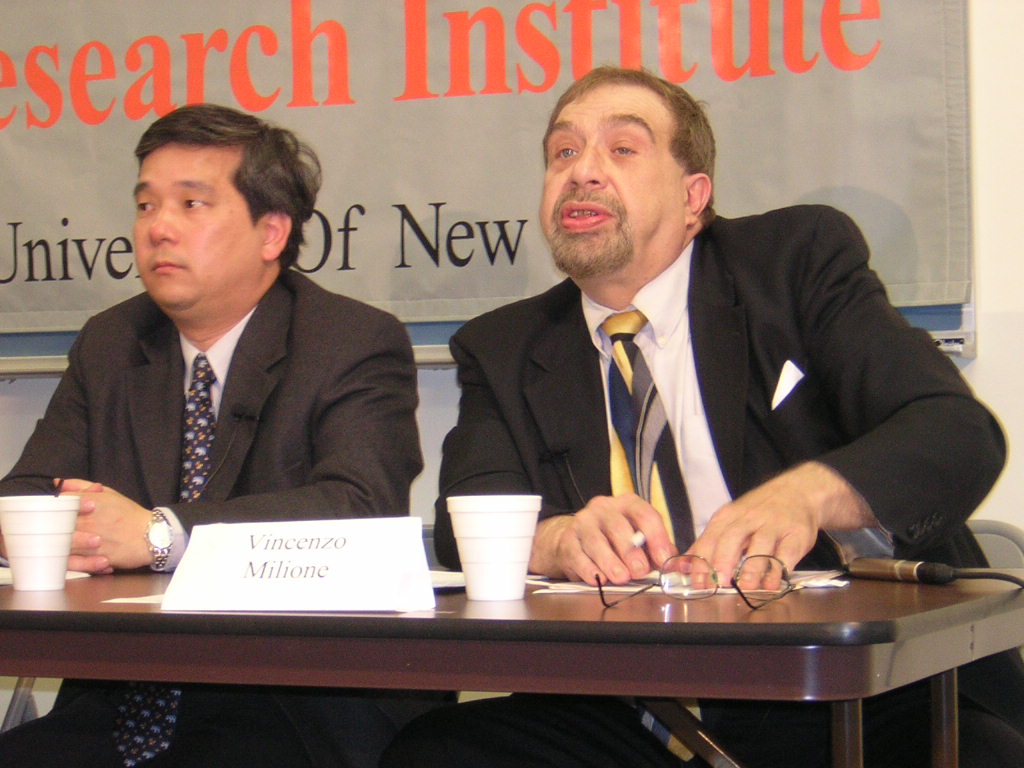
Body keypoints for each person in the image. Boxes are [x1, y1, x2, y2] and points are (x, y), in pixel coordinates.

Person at [379, 67, 1024, 768]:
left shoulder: (792, 263)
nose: (582, 172)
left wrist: (807, 494)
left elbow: (955, 432)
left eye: (622, 149)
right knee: (439, 752)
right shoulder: (504, 346)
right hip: (630, 707)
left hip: (845, 693)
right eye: (563, 152)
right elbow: (465, 518)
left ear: (694, 198)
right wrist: (555, 539)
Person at [0, 104, 436, 767]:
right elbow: (31, 494)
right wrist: (45, 531)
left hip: (289, 703)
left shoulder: (351, 341)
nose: (158, 228)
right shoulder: (112, 342)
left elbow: (358, 508)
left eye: (191, 204)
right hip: (119, 699)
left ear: (271, 232)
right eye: (146, 206)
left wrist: (159, 535)